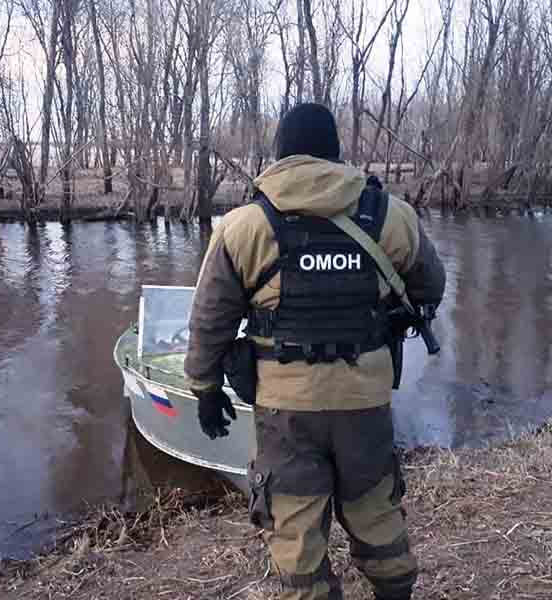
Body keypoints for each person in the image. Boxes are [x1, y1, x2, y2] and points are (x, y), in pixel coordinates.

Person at [184, 103, 446, 600]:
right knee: (374, 507)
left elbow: (210, 317)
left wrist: (204, 387)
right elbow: (431, 285)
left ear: (280, 153)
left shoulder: (244, 226)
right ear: (336, 153)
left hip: (286, 409)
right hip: (364, 398)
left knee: (296, 524)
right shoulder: (389, 216)